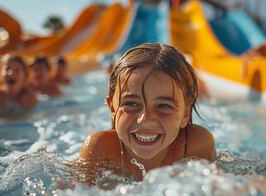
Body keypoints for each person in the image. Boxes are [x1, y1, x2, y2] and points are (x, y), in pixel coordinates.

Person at [78, 43, 216, 180]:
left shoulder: (195, 145)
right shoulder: (100, 149)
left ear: (186, 113)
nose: (145, 118)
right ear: (113, 109)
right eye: (131, 104)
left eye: (163, 106)